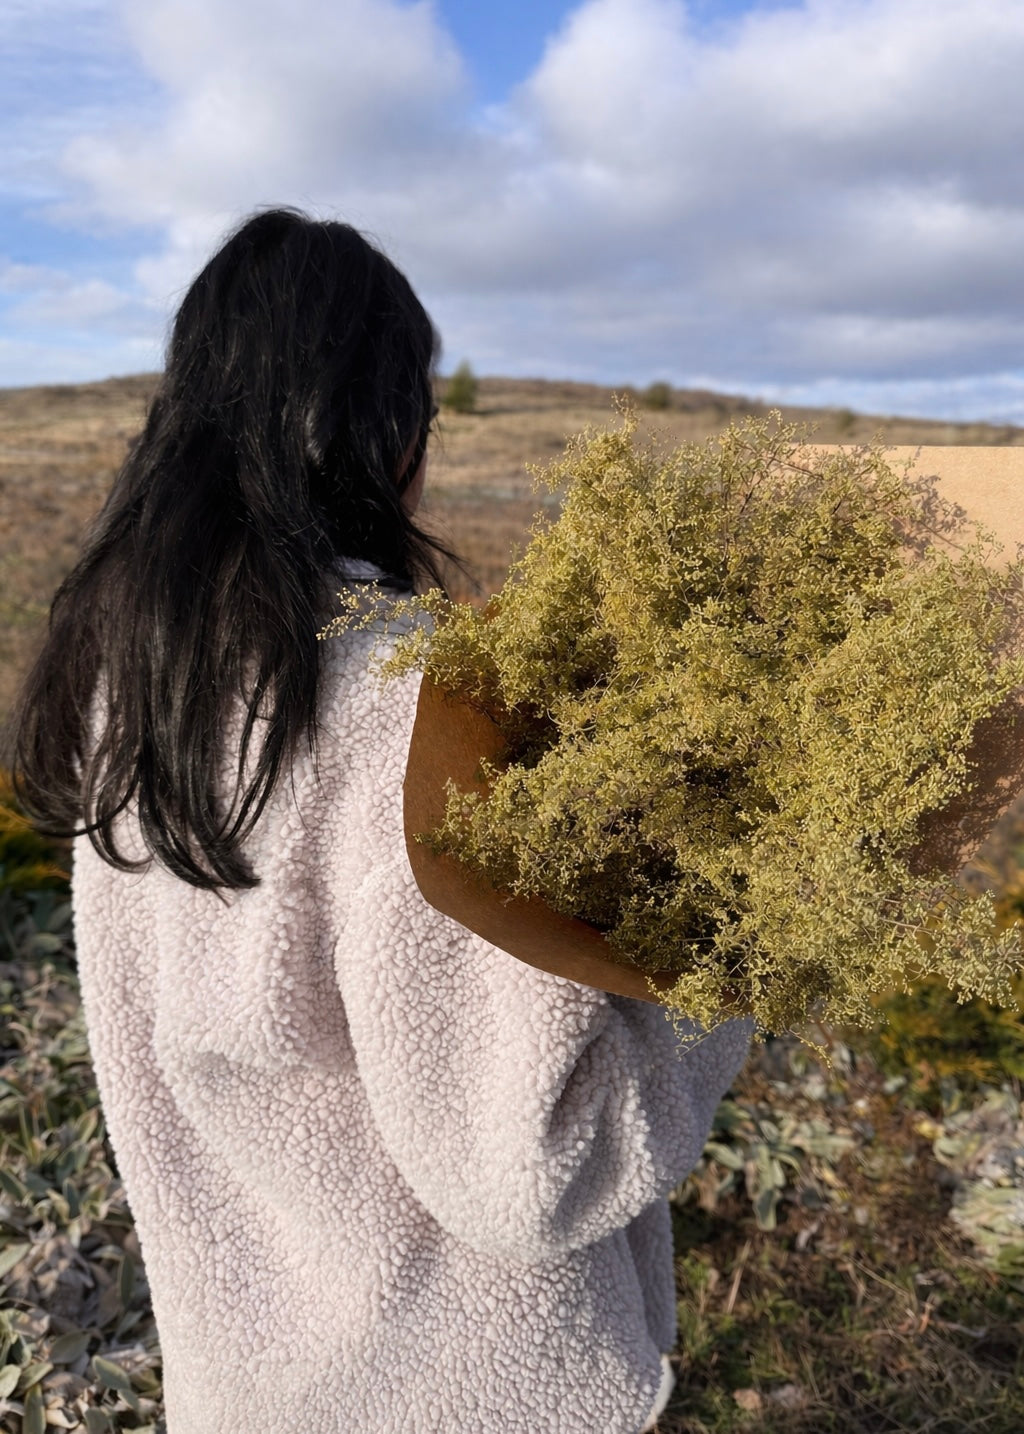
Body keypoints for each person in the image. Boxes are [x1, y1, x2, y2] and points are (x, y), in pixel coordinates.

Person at [12, 208, 754, 1433]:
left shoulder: (128, 675)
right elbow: (533, 1173)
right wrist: (721, 973)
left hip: (247, 1382)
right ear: (382, 426)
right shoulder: (416, 702)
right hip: (466, 1394)